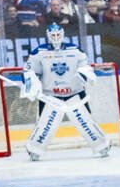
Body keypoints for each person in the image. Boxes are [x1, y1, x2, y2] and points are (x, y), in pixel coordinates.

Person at [20, 22, 111, 159]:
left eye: (58, 34)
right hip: (50, 95)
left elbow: (86, 67)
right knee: (45, 124)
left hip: (75, 93)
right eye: (53, 35)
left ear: (62, 34)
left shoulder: (75, 50)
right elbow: (28, 70)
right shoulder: (39, 52)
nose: (56, 37)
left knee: (85, 121)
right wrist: (31, 84)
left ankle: (101, 145)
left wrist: (86, 74)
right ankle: (35, 149)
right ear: (48, 36)